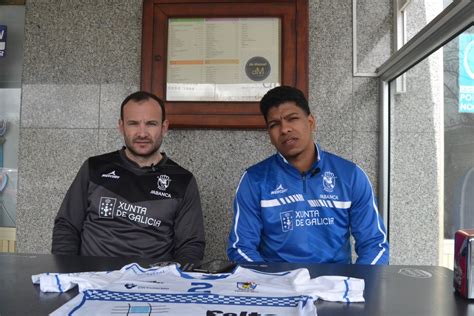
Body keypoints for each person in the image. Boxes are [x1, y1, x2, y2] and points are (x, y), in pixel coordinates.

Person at [227, 86, 389, 264]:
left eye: (292, 119)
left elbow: (374, 244)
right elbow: (241, 247)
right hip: (278, 285)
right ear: (269, 135)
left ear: (311, 122)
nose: (284, 129)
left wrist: (355, 285)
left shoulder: (350, 175)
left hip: (334, 286)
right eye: (274, 125)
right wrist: (269, 281)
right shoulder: (254, 180)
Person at [52, 91, 205, 263]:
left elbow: (190, 245)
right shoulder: (95, 168)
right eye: (133, 124)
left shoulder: (182, 180)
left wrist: (175, 281)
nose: (142, 133)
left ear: (164, 128)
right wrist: (67, 272)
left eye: (151, 124)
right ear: (121, 126)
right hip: (93, 279)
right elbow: (67, 226)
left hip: (151, 283)